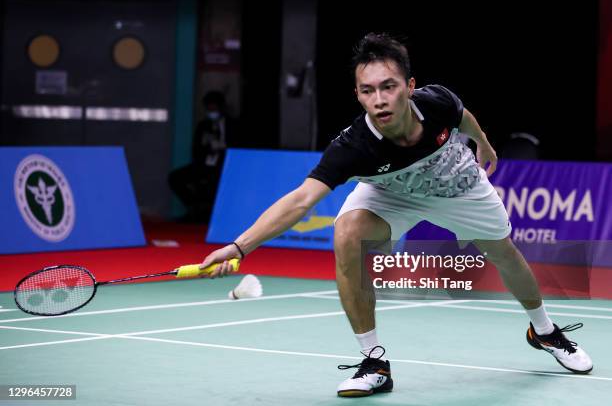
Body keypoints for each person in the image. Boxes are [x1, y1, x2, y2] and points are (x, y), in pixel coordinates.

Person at [199, 33, 593, 397]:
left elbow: (463, 116)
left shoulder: (436, 102)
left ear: (410, 86)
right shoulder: (354, 147)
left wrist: (483, 143)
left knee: (505, 252)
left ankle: (544, 331)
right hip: (393, 194)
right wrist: (239, 246)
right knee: (347, 233)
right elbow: (302, 200)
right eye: (368, 90)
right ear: (357, 94)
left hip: (457, 185)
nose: (380, 99)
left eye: (389, 86)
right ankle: (374, 362)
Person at [168, 91, 235, 222]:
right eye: (209, 109)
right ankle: (194, 208)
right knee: (175, 178)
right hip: (203, 165)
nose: (212, 112)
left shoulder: (233, 125)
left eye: (214, 109)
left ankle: (210, 215)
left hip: (224, 168)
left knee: (216, 183)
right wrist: (207, 146)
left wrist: (222, 147)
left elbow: (238, 147)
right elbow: (196, 149)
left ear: (221, 108)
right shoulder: (203, 126)